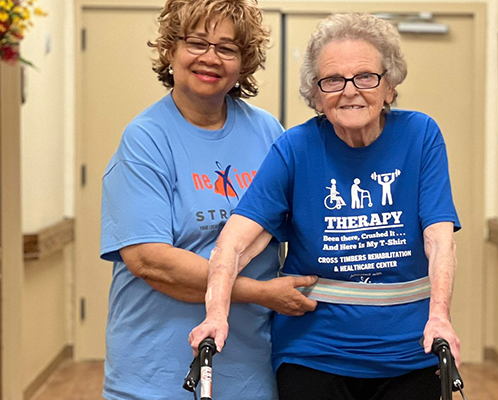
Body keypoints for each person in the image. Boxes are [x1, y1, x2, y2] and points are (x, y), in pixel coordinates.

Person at [191, 12, 462, 400]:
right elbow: (234, 243)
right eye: (332, 80)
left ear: (390, 86)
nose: (350, 90)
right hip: (314, 352)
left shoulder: (420, 136)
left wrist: (440, 316)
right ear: (316, 96)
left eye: (366, 77)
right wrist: (216, 313)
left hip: (409, 350)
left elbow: (439, 238)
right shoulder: (295, 148)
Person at [99, 1, 317, 399]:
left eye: (227, 48)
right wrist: (259, 292)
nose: (210, 58)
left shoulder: (267, 132)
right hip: (157, 374)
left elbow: (303, 224)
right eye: (197, 42)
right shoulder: (146, 139)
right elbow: (150, 261)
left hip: (250, 371)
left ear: (243, 61)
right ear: (171, 50)